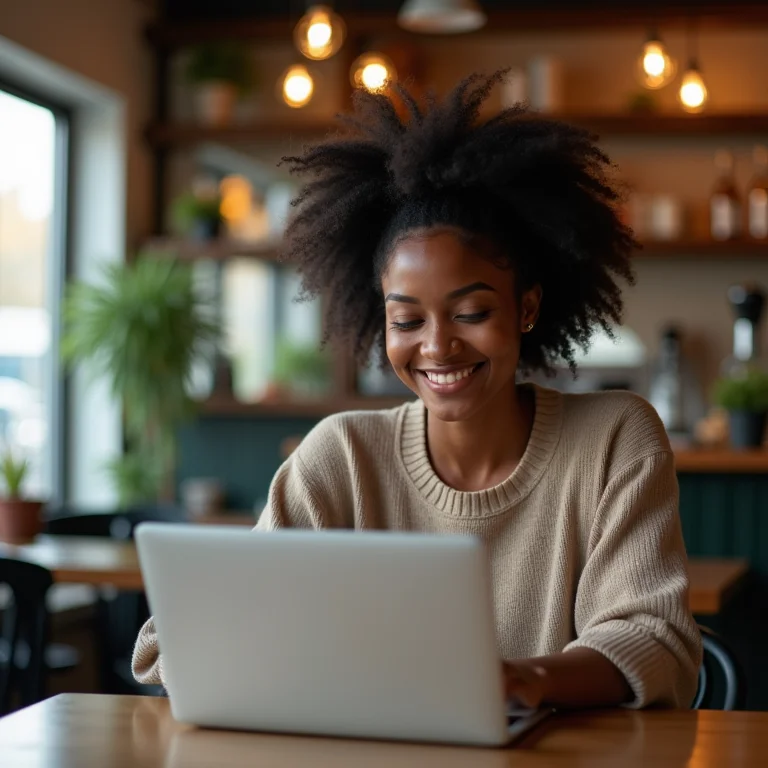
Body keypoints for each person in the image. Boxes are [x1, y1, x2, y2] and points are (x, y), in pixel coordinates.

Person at [133, 71, 701, 709]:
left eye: (471, 312)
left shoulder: (615, 438)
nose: (436, 347)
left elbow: (654, 638)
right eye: (407, 320)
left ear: (527, 307)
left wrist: (524, 683)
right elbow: (191, 643)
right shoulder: (341, 455)